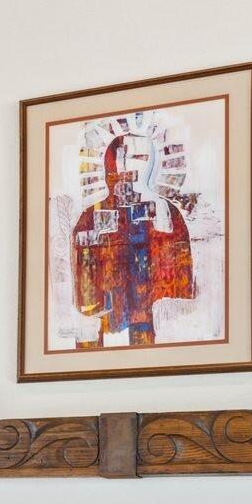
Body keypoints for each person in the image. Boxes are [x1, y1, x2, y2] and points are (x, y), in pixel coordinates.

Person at [70, 134, 194, 347]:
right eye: (123, 158)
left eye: (140, 158)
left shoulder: (165, 212)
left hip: (147, 309)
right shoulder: (91, 214)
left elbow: (178, 262)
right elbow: (83, 264)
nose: (128, 166)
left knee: (144, 342)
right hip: (105, 306)